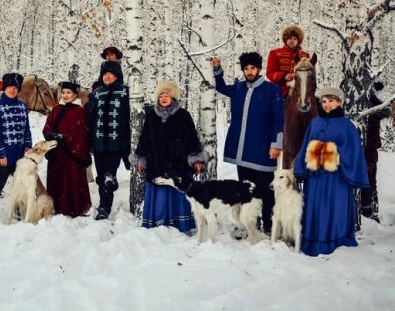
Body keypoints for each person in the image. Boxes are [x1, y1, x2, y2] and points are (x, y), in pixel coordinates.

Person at [212, 52, 283, 234]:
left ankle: (269, 225)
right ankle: (251, 223)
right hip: (242, 150)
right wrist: (218, 70)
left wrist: (276, 144)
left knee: (266, 191)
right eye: (246, 68)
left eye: (252, 68)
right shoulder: (238, 88)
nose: (249, 71)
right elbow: (221, 87)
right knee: (246, 188)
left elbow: (278, 119)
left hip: (263, 148)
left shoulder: (271, 90)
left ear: (259, 69)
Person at [293, 87, 370, 256]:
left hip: (336, 179)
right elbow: (305, 145)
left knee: (333, 208)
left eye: (332, 101)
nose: (327, 105)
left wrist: (328, 152)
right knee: (315, 208)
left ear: (339, 102)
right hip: (314, 178)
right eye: (324, 101)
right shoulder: (315, 122)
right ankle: (313, 242)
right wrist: (300, 167)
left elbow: (353, 151)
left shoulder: (347, 126)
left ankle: (336, 241)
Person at [133, 81, 205, 232]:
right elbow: (145, 139)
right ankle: (158, 223)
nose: (164, 98)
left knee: (176, 191)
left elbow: (191, 138)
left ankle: (178, 225)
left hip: (178, 162)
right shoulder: (152, 116)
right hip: (156, 162)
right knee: (159, 191)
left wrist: (196, 159)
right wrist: (141, 159)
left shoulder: (183, 115)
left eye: (167, 95)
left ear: (174, 98)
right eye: (161, 95)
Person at [0, 73, 32, 218]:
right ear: (4, 88)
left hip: (20, 155)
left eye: (15, 88)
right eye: (9, 87)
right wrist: (0, 154)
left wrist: (28, 146)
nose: (12, 90)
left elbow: (26, 129)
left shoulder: (22, 105)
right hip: (3, 156)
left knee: (21, 184)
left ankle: (19, 209)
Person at [86, 61, 131, 220]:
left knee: (109, 175)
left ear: (117, 76)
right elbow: (90, 118)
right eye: (104, 74)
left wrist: (128, 145)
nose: (107, 76)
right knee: (100, 175)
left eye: (110, 74)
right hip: (98, 143)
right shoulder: (97, 93)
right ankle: (104, 201)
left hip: (116, 144)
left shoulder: (126, 93)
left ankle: (105, 207)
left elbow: (130, 118)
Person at [42, 81, 92, 217]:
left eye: (68, 93)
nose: (65, 95)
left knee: (71, 180)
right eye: (63, 92)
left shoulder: (80, 111)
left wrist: (64, 138)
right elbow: (47, 126)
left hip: (71, 154)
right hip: (56, 153)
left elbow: (80, 133)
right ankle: (56, 206)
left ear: (75, 94)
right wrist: (50, 134)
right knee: (56, 179)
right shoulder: (57, 109)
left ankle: (72, 207)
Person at [361, 82, 393, 222]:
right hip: (357, 148)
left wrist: (373, 98)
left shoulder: (372, 106)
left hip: (370, 148)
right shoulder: (352, 103)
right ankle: (364, 209)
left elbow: (386, 111)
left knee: (370, 179)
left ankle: (371, 210)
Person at [266, 24, 310, 98]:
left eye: (294, 38)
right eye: (289, 38)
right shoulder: (275, 53)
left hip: (300, 93)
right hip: (280, 92)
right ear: (285, 39)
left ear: (298, 41)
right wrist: (284, 76)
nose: (292, 41)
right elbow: (270, 73)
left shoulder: (305, 56)